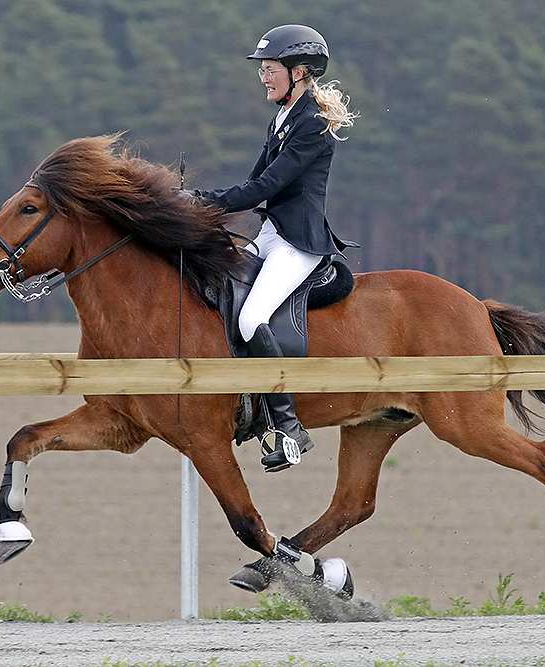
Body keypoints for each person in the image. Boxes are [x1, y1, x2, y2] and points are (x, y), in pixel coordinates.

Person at [190, 24, 358, 472]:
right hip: (273, 234)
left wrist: (206, 202)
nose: (263, 77)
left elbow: (267, 186)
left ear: (299, 72)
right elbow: (252, 183)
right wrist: (201, 201)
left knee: (252, 316)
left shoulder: (312, 124)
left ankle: (288, 427)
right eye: (262, 70)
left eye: (270, 70)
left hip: (300, 242)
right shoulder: (281, 118)